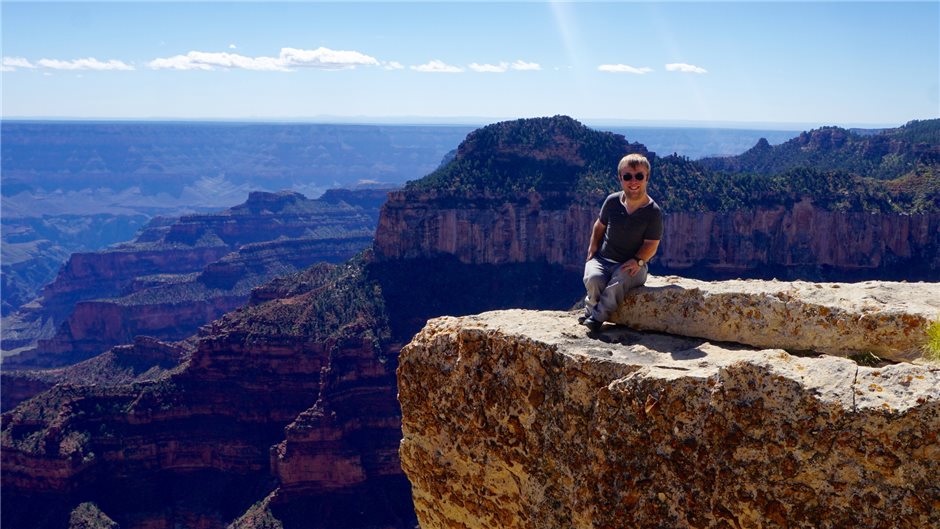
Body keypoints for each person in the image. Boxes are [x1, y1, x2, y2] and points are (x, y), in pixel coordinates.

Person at [581, 153, 663, 332]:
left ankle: (596, 318)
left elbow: (652, 244)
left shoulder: (653, 212)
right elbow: (599, 226)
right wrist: (592, 250)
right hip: (604, 259)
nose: (633, 181)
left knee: (619, 280)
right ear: (620, 178)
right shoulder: (612, 201)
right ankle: (592, 309)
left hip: (633, 264)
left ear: (647, 177)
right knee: (593, 278)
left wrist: (638, 261)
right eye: (627, 176)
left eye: (639, 176)